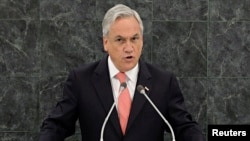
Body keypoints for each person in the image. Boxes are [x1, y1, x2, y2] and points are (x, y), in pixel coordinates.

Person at [39, 4, 205, 141]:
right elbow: (56, 126)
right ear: (106, 43)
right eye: (120, 40)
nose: (129, 47)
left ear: (142, 40)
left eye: (134, 39)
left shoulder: (163, 81)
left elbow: (185, 127)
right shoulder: (81, 80)